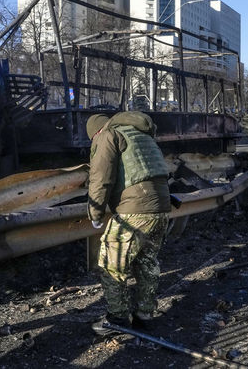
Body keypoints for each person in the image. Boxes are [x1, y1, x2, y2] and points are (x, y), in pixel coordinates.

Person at [85, 111, 171, 335]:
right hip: (161, 207)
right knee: (147, 262)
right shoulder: (141, 135)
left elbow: (100, 177)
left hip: (134, 210)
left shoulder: (107, 135)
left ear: (96, 132)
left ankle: (118, 319)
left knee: (111, 264)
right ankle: (145, 315)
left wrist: (95, 213)